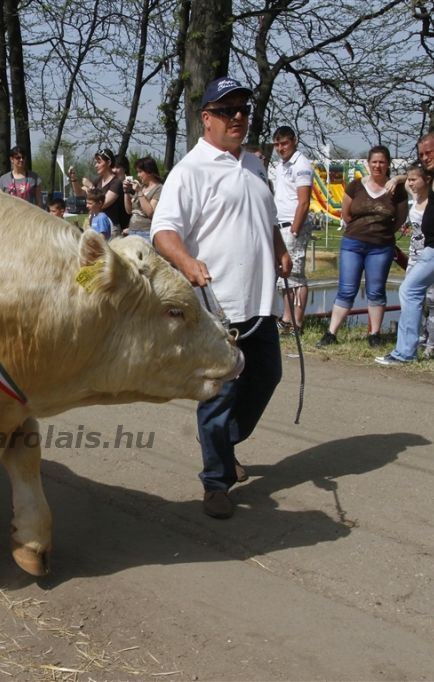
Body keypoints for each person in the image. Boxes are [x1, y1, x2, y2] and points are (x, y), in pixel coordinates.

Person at [150, 77, 291, 520]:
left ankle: (221, 443)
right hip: (217, 305)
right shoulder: (190, 170)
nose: (238, 117)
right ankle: (216, 482)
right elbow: (163, 231)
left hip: (260, 301)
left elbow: (266, 218)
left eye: (243, 110)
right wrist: (187, 263)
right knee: (221, 393)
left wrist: (281, 247)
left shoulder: (253, 164)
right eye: (227, 110)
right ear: (206, 118)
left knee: (267, 376)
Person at [377, 132, 434, 365]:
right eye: (421, 154)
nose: (425, 157)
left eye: (429, 152)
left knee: (410, 290)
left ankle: (405, 352)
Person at [316, 145, 407, 348]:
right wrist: (360, 229)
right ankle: (331, 333)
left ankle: (374, 335)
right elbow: (346, 214)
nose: (377, 166)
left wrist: (397, 179)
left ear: (388, 164)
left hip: (381, 246)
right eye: (374, 162)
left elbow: (400, 218)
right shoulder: (355, 185)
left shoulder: (396, 190)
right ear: (368, 163)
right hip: (353, 243)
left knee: (376, 291)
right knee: (346, 290)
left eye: (382, 162)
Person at [396, 162, 434, 359]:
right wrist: (395, 179)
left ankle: (431, 346)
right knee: (413, 298)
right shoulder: (416, 195)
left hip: (431, 255)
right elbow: (403, 180)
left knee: (433, 300)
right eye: (410, 179)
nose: (410, 183)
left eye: (414, 179)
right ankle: (418, 338)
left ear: (427, 180)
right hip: (414, 256)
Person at [272, 126, 315, 332]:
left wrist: (295, 230)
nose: (280, 148)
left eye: (284, 144)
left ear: (294, 141)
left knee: (296, 274)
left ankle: (297, 322)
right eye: (277, 145)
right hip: (281, 223)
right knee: (284, 274)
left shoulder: (302, 164)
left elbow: (304, 202)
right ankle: (286, 317)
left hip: (293, 226)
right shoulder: (281, 165)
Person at [69, 148, 124, 231]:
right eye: (95, 163)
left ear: (108, 162)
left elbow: (103, 203)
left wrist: (90, 186)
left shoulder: (116, 182)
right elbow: (79, 192)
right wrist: (74, 178)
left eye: (99, 162)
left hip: (109, 227)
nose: (96, 166)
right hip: (95, 225)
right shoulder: (98, 179)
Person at [124, 157, 163, 239]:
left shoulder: (159, 188)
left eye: (140, 172)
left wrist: (139, 192)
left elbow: (150, 212)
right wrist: (126, 192)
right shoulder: (142, 187)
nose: (138, 175)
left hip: (146, 233)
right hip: (132, 231)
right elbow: (129, 210)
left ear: (149, 171)